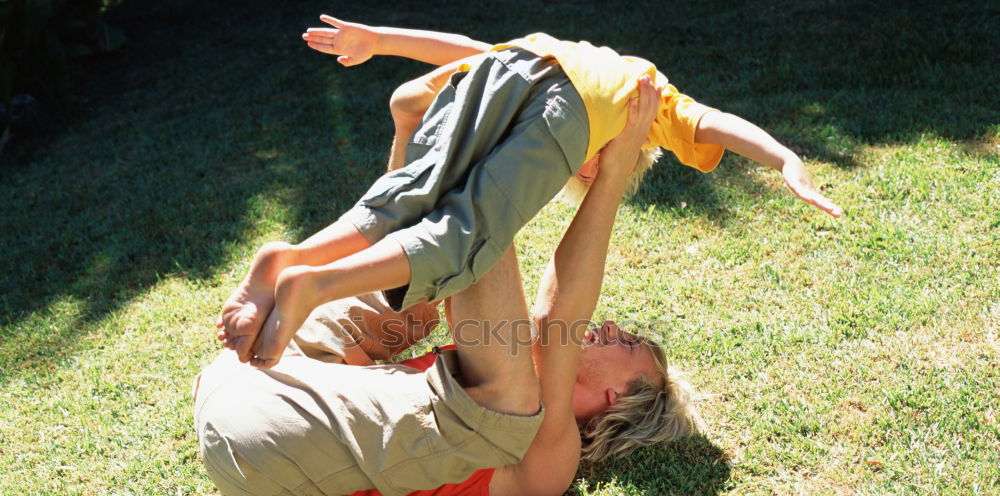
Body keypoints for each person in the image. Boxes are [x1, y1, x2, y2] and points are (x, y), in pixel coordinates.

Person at [197, 80, 697, 496]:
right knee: (426, 295)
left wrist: (613, 173)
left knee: (510, 395)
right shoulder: (501, 365)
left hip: (271, 461)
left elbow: (555, 321)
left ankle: (480, 151)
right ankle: (425, 150)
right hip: (257, 369)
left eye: (627, 343)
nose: (610, 327)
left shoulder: (550, 465)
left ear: (618, 398)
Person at [216, 18, 842, 369]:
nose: (585, 176)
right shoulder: (646, 103)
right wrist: (784, 156)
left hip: (507, 70)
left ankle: (288, 258)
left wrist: (378, 40)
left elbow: (470, 52)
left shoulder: (580, 55)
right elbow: (716, 127)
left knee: (410, 195)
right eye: (587, 175)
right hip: (557, 104)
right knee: (468, 236)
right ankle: (314, 285)